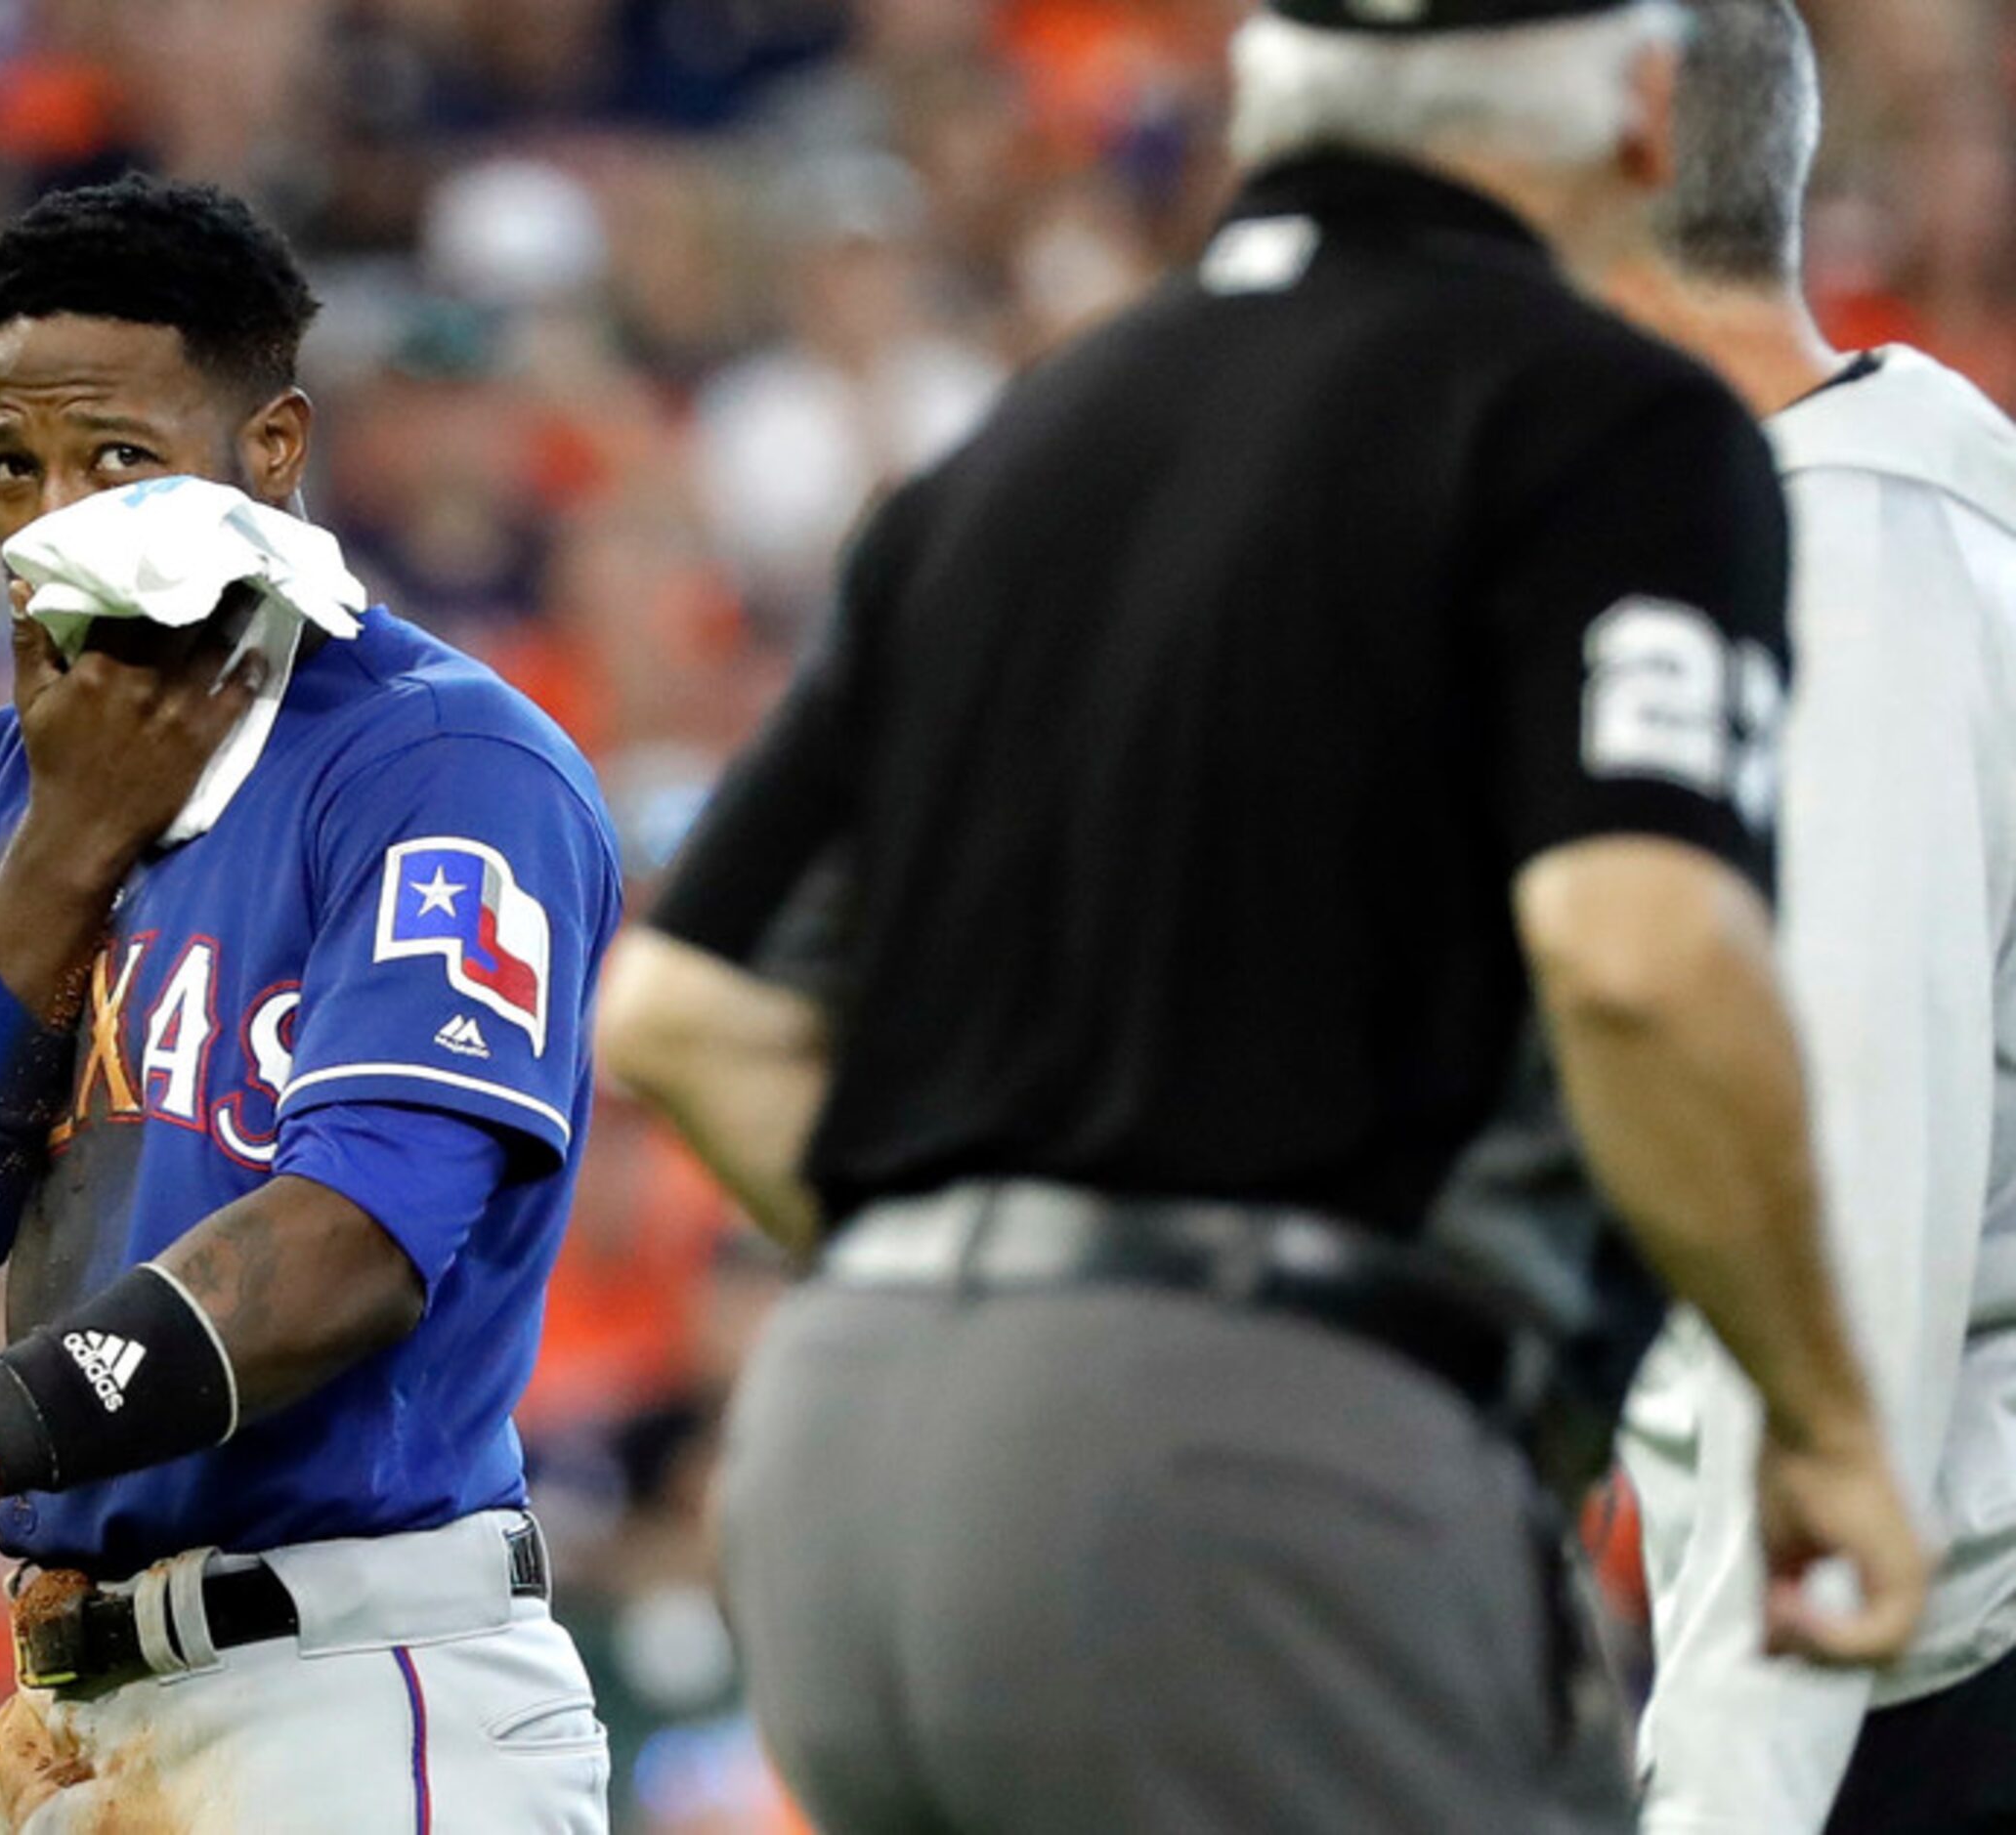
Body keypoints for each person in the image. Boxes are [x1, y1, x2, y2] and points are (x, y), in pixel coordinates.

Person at [594, 1, 1928, 1828]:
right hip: (1240, 1461)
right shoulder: (1604, 415)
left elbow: (680, 1012)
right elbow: (1643, 955)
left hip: (841, 1465)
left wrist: (995, 1297)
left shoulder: (1023, 433)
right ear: (1636, 121)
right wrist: (1831, 1427)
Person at [0, 177, 622, 1832]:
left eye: (117, 458)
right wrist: (65, 854)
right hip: (71, 1705)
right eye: (13, 465)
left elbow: (338, 1260)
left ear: (273, 450)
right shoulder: (10, 789)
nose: (53, 513)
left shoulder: (443, 763)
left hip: (349, 1688)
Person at [1600, 5, 2016, 1829]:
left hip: (1919, 1687)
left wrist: (1725, 1801)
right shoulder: (1791, 549)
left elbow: (1840, 1268)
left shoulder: (1843, 596)